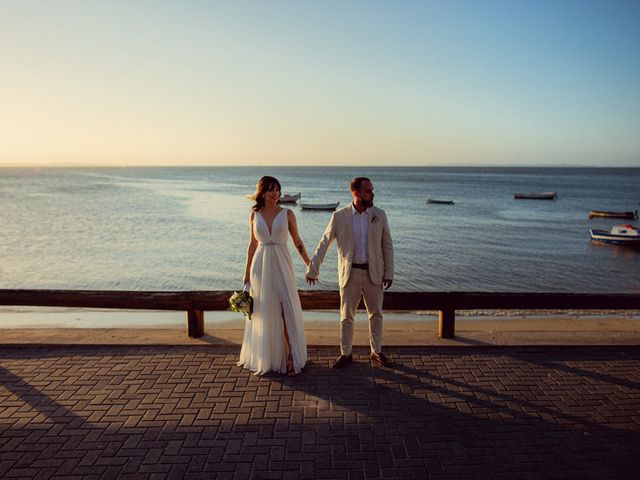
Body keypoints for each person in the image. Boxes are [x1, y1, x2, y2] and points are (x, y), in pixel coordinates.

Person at [306, 177, 394, 369]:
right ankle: (346, 354)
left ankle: (376, 352)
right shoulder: (340, 216)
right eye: (369, 191)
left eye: (372, 190)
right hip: (350, 273)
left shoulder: (380, 215)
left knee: (376, 314)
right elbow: (325, 242)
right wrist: (313, 269)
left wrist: (389, 272)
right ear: (356, 193)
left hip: (374, 274)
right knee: (346, 316)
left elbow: (387, 245)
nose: (373, 194)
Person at [238, 176, 310, 376]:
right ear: (262, 192)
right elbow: (252, 245)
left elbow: (297, 241)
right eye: (271, 189)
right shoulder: (254, 215)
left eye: (277, 189)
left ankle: (291, 356)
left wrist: (309, 265)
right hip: (260, 266)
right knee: (264, 310)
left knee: (285, 307)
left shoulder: (288, 214)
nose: (275, 193)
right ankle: (266, 357)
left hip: (282, 263)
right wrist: (246, 276)